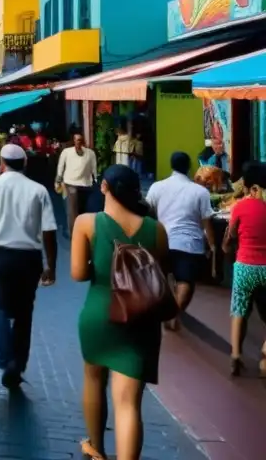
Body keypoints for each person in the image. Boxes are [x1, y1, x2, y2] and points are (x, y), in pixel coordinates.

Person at [74, 165, 169, 460]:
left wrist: (101, 264)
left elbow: (78, 273)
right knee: (128, 404)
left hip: (99, 313)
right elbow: (160, 273)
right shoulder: (156, 229)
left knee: (93, 379)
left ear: (104, 187)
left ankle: (97, 448)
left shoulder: (87, 223)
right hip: (139, 318)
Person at [0, 144, 58, 389]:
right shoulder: (39, 190)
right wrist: (51, 265)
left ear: (1, 162)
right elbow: (49, 231)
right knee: (24, 311)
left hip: (0, 256)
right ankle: (18, 363)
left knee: (0, 307)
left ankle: (6, 359)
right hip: (30, 258)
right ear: (25, 164)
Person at [145, 151, 215, 331]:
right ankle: (174, 312)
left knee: (165, 276)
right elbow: (207, 222)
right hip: (189, 244)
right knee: (186, 282)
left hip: (161, 240)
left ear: (172, 165)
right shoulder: (200, 192)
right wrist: (213, 246)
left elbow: (148, 213)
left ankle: (168, 308)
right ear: (189, 167)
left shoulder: (156, 187)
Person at [222, 161, 266, 377]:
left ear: (248, 187)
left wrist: (227, 244)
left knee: (239, 310)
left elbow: (230, 235)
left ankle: (236, 355)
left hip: (244, 266)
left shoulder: (239, 207)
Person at [56, 133, 98, 238]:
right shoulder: (67, 152)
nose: (78, 142)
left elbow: (94, 167)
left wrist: (95, 179)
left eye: (80, 140)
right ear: (73, 141)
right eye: (76, 139)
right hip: (70, 183)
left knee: (84, 210)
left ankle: (84, 232)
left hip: (86, 184)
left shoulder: (90, 153)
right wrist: (58, 178)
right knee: (72, 210)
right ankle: (74, 235)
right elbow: (61, 166)